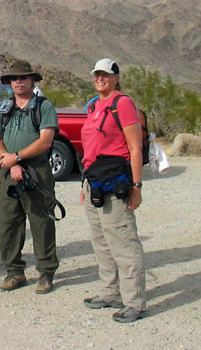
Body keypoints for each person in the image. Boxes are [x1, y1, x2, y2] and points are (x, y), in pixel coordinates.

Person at [79, 58, 146, 323]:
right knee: (102, 242)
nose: (100, 78)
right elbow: (91, 149)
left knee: (123, 242)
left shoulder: (123, 104)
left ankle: (135, 302)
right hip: (93, 182)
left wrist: (137, 186)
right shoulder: (94, 106)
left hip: (116, 184)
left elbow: (135, 148)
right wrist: (84, 183)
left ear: (116, 77)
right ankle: (110, 292)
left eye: (105, 74)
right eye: (96, 74)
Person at [0, 60, 59, 293]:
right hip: (9, 171)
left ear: (32, 81)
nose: (19, 81)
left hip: (36, 172)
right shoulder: (3, 108)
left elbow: (45, 141)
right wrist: (9, 160)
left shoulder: (43, 107)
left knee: (41, 222)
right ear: (9, 83)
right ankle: (14, 272)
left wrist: (16, 158)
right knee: (8, 223)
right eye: (14, 78)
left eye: (23, 77)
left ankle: (45, 273)